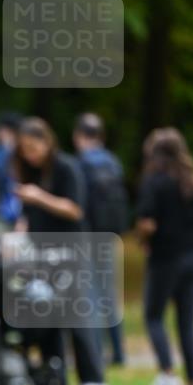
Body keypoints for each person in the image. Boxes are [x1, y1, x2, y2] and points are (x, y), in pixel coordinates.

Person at [13, 117, 111, 385]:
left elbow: (75, 209)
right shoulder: (30, 171)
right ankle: (53, 379)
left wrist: (39, 197)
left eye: (33, 147)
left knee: (77, 313)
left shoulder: (67, 167)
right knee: (46, 312)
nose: (29, 153)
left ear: (47, 141)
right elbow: (28, 215)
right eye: (24, 149)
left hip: (72, 250)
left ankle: (94, 380)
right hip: (42, 253)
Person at [136, 128, 193, 385]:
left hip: (164, 259)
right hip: (192, 257)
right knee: (186, 322)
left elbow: (148, 222)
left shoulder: (155, 181)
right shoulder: (192, 182)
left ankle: (167, 374)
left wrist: (142, 236)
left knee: (153, 315)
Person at [73, 112, 128, 365]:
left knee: (92, 295)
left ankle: (96, 351)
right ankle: (119, 352)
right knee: (110, 294)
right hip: (111, 235)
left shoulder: (81, 164)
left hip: (89, 236)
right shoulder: (113, 163)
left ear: (79, 136)